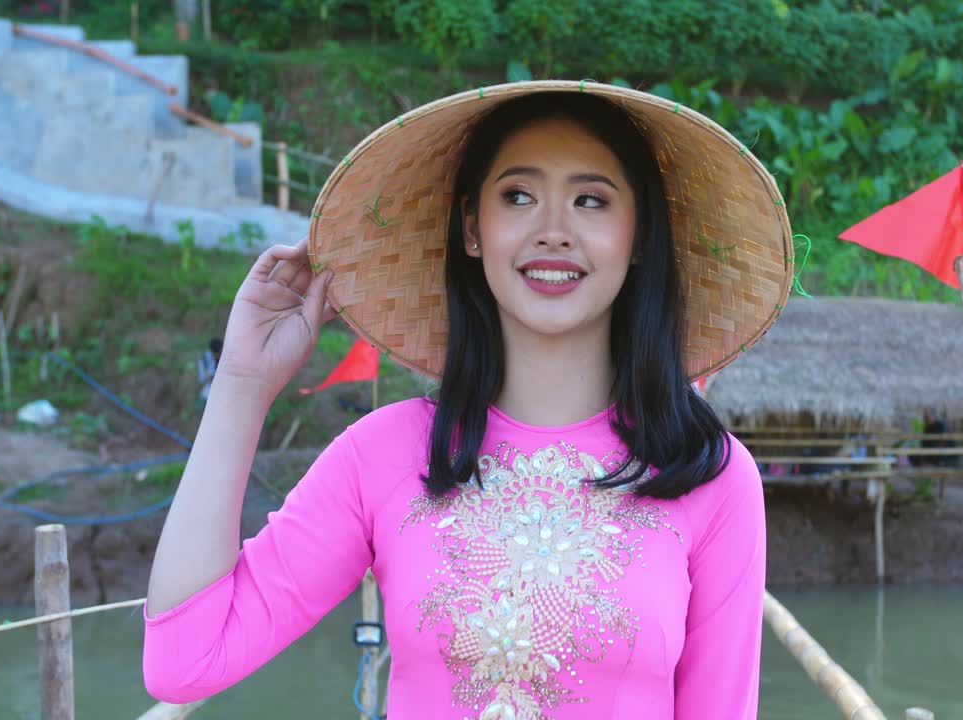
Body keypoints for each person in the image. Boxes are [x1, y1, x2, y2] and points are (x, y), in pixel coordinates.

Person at [141, 81, 795, 719]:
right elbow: (186, 661)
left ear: (641, 237)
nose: (553, 231)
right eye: (518, 196)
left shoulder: (711, 473)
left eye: (591, 202)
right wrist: (241, 385)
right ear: (472, 228)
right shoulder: (383, 455)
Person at [196, 337, 222, 404]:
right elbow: (202, 378)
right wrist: (211, 374)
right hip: (208, 395)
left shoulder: (224, 358)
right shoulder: (205, 359)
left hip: (221, 395)